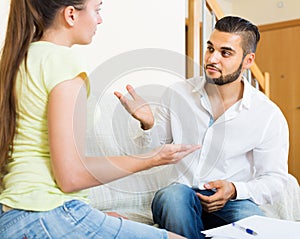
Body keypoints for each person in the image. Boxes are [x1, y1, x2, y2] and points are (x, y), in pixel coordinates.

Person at [0, 0, 201, 238]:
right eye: (97, 9)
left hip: (14, 216)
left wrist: (94, 216)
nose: (100, 19)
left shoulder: (20, 60)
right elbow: (71, 176)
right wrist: (152, 158)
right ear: (71, 15)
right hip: (46, 214)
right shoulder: (63, 62)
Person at [115, 16, 289, 239]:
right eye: (210, 48)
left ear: (248, 61)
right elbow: (153, 149)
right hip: (180, 195)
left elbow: (275, 179)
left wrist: (235, 190)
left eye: (225, 53)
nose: (212, 58)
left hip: (231, 202)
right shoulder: (178, 93)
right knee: (173, 197)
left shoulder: (267, 114)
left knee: (257, 226)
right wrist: (148, 124)